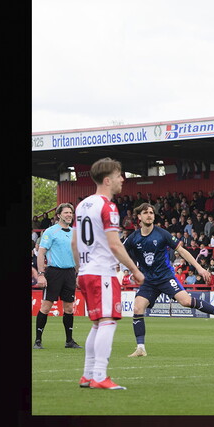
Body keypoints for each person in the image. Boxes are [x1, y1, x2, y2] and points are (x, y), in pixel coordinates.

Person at [124, 203, 214, 357]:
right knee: (137, 308)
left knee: (186, 301)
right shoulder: (133, 238)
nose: (149, 215)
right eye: (145, 213)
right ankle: (140, 348)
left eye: (151, 212)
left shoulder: (162, 234)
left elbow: (182, 251)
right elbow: (119, 252)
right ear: (139, 217)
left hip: (165, 277)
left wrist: (200, 268)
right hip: (148, 280)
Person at [72, 158, 146, 390]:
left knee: (97, 324)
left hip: (86, 271)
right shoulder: (107, 206)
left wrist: (79, 270)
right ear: (107, 180)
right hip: (102, 272)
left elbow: (74, 243)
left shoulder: (82, 205)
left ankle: (87, 375)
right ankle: (100, 376)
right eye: (119, 175)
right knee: (107, 322)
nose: (122, 179)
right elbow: (114, 244)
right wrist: (134, 270)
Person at [34, 203, 83, 349]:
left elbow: (76, 255)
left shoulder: (75, 232)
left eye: (71, 213)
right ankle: (37, 341)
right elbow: (41, 253)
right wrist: (41, 274)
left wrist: (78, 273)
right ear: (59, 215)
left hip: (69, 273)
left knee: (69, 308)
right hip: (54, 272)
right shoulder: (50, 232)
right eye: (66, 212)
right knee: (46, 306)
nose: (69, 215)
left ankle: (69, 341)